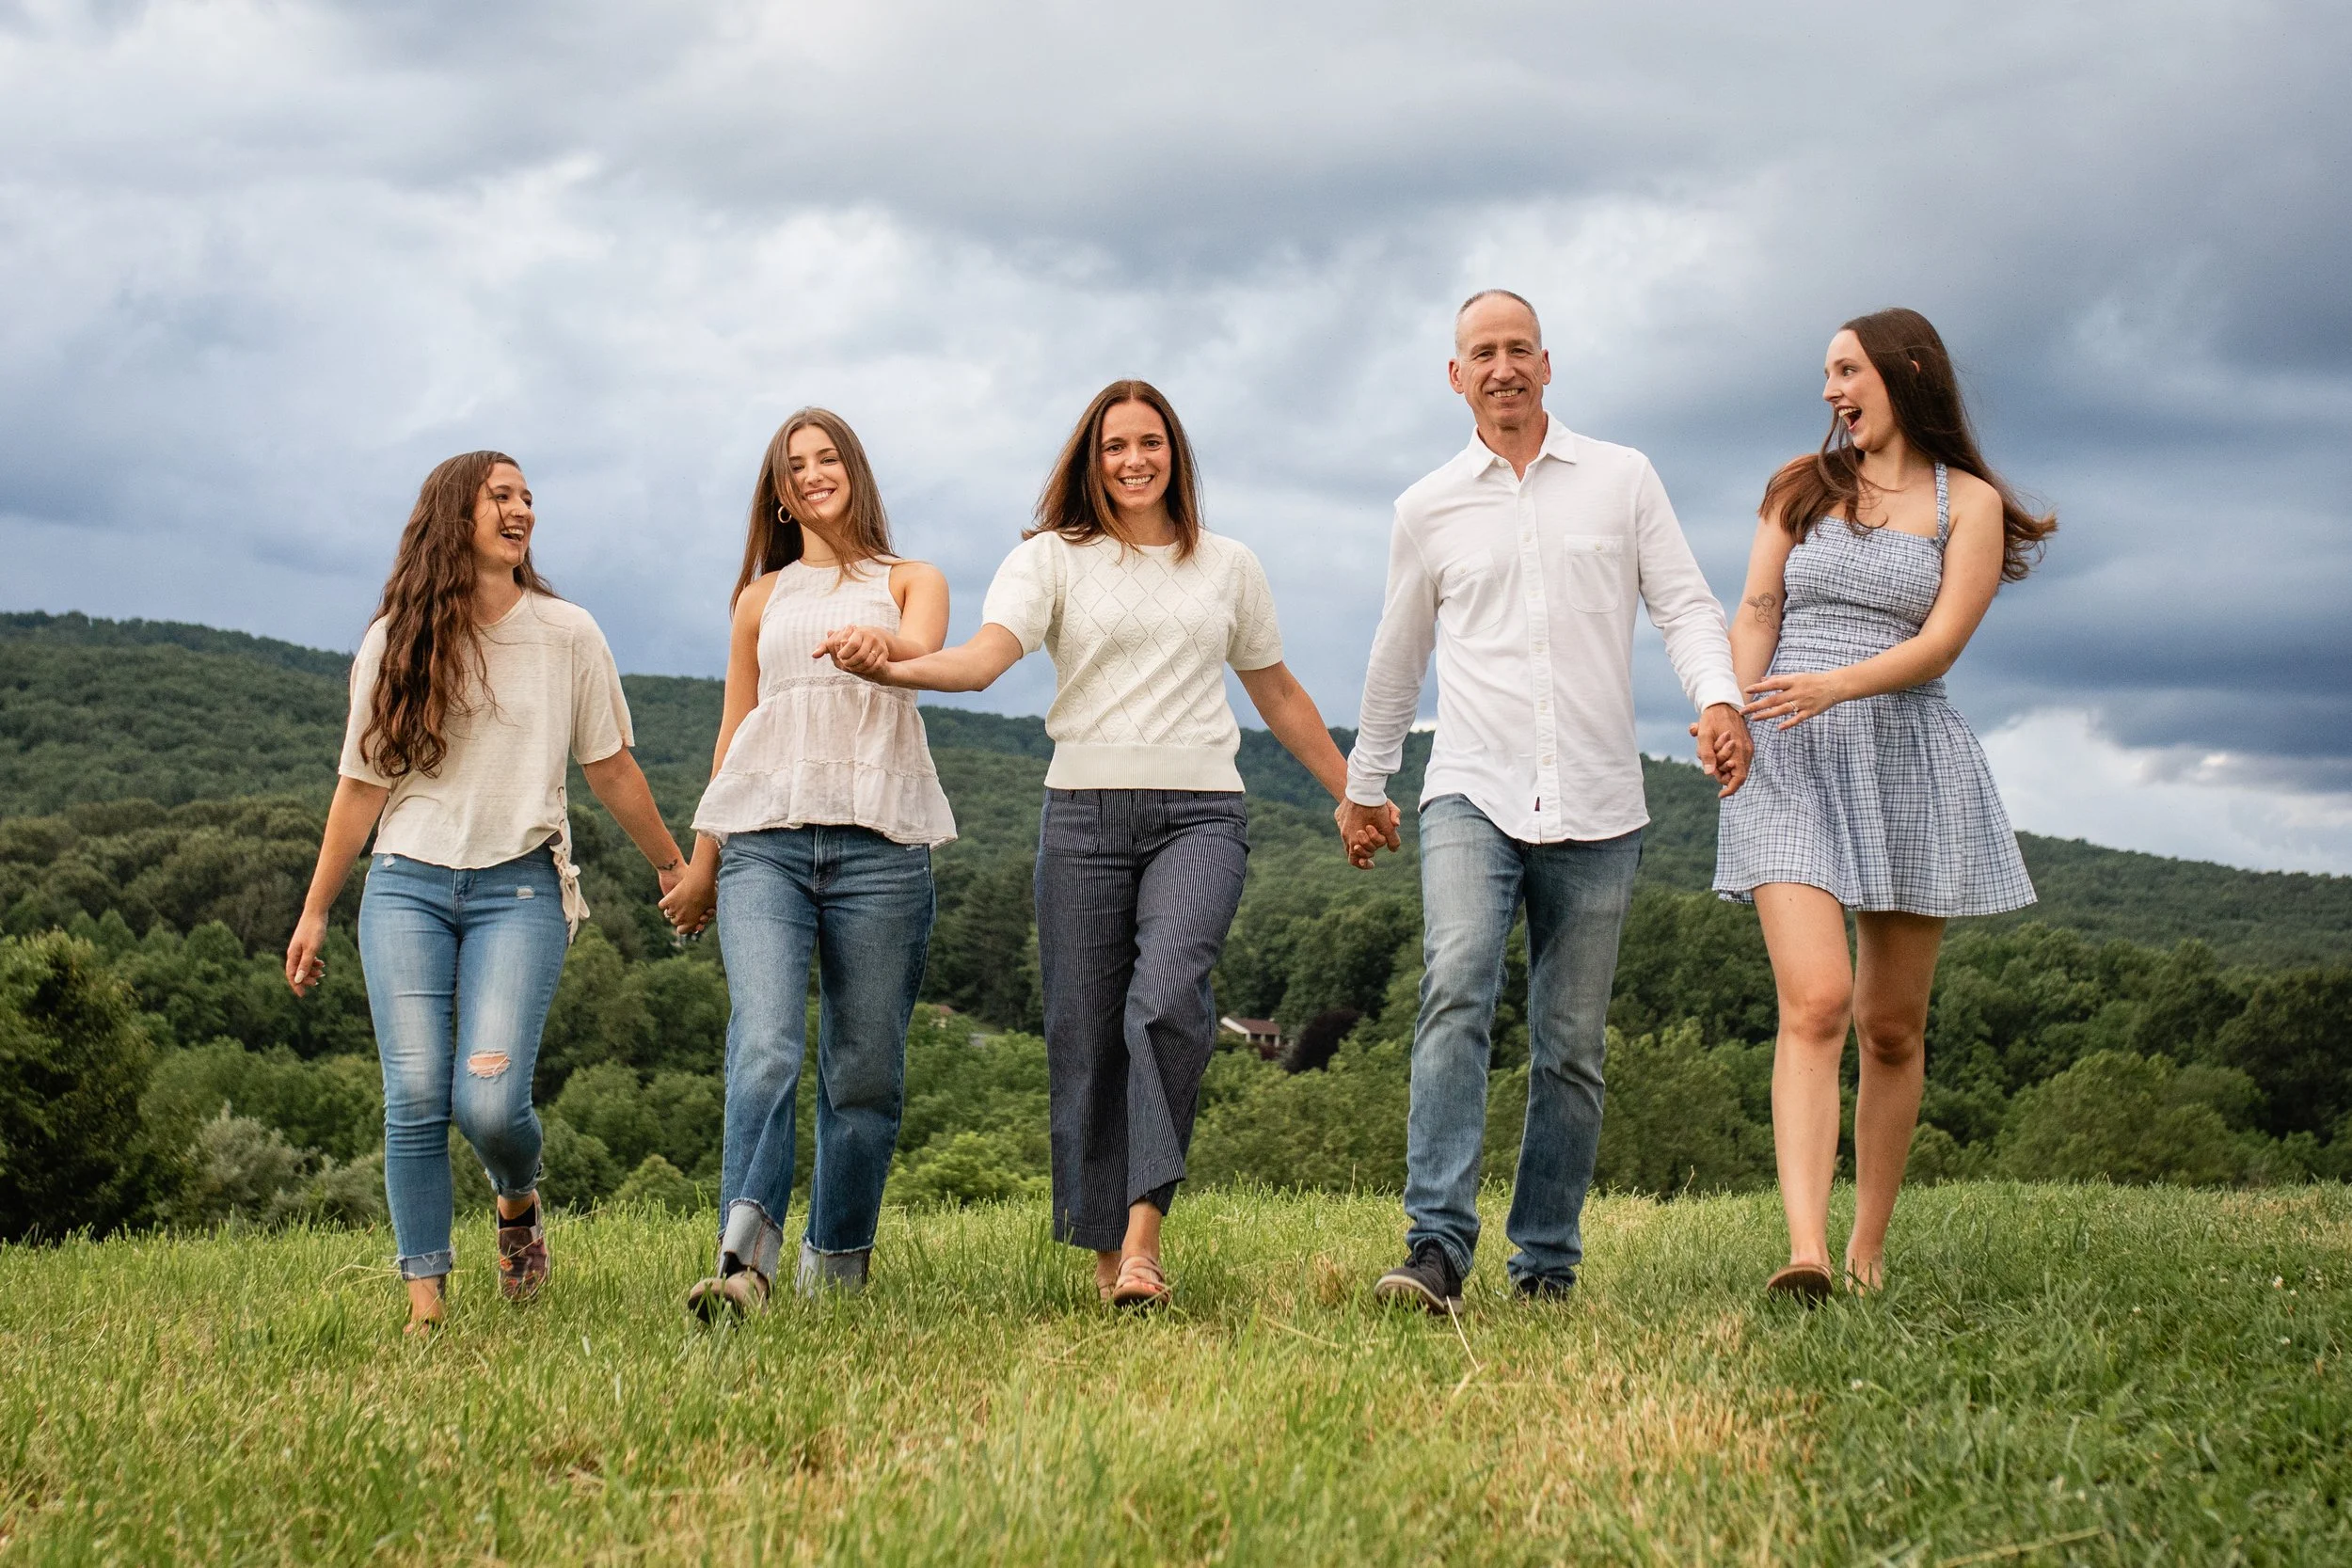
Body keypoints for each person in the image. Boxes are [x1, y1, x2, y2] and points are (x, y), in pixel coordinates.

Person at [828, 379, 1382, 1307]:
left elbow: (1277, 690)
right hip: (1081, 813)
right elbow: (983, 658)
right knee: (1084, 1035)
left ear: (1176, 455)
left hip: (1203, 811)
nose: (1134, 460)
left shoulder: (1228, 564)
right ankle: (1103, 1260)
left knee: (1166, 1002)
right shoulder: (1050, 560)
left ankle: (1140, 1243)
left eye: (1151, 443)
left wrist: (1353, 793)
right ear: (1090, 458)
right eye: (1115, 445)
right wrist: (897, 663)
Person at [1342, 290, 1753, 1312]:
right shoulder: (1426, 506)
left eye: (1517, 348)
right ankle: (1434, 1247)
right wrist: (1364, 785)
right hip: (1470, 788)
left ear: (1546, 363)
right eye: (1481, 352)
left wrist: (1718, 699)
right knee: (1457, 984)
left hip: (1602, 801)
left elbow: (1687, 605)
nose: (1501, 367)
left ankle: (1546, 1263)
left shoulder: (1622, 479)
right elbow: (1397, 659)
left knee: (1570, 1042)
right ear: (1455, 376)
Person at [285, 451, 690, 1337]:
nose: (521, 510)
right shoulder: (395, 638)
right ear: (452, 514)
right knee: (417, 1094)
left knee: (489, 1103)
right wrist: (316, 909)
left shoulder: (567, 631)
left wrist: (672, 863)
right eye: (500, 496)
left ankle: (516, 1200)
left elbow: (609, 765)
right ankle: (426, 1306)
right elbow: (360, 786)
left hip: (519, 886)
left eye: (528, 498)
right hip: (405, 886)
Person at [1715, 308, 2051, 1300]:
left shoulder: (1969, 504)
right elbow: (1756, 611)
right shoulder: (1799, 487)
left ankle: (1866, 1248)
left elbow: (1942, 644)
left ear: (1905, 371)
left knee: (1890, 1025)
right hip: (1785, 749)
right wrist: (1730, 703)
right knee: (1815, 999)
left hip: (1906, 752)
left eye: (1846, 369)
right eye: (1825, 373)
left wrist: (1840, 683)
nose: (1830, 390)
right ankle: (1806, 1249)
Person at [660, 408, 955, 1316]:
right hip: (765, 846)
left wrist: (882, 649)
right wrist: (704, 859)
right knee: (766, 1044)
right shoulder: (762, 598)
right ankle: (744, 1263)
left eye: (829, 458)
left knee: (864, 1067)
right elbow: (734, 731)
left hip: (880, 847)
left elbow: (926, 649)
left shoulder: (911, 579)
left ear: (854, 471)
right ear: (780, 492)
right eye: (797, 465)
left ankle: (837, 1270)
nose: (815, 473)